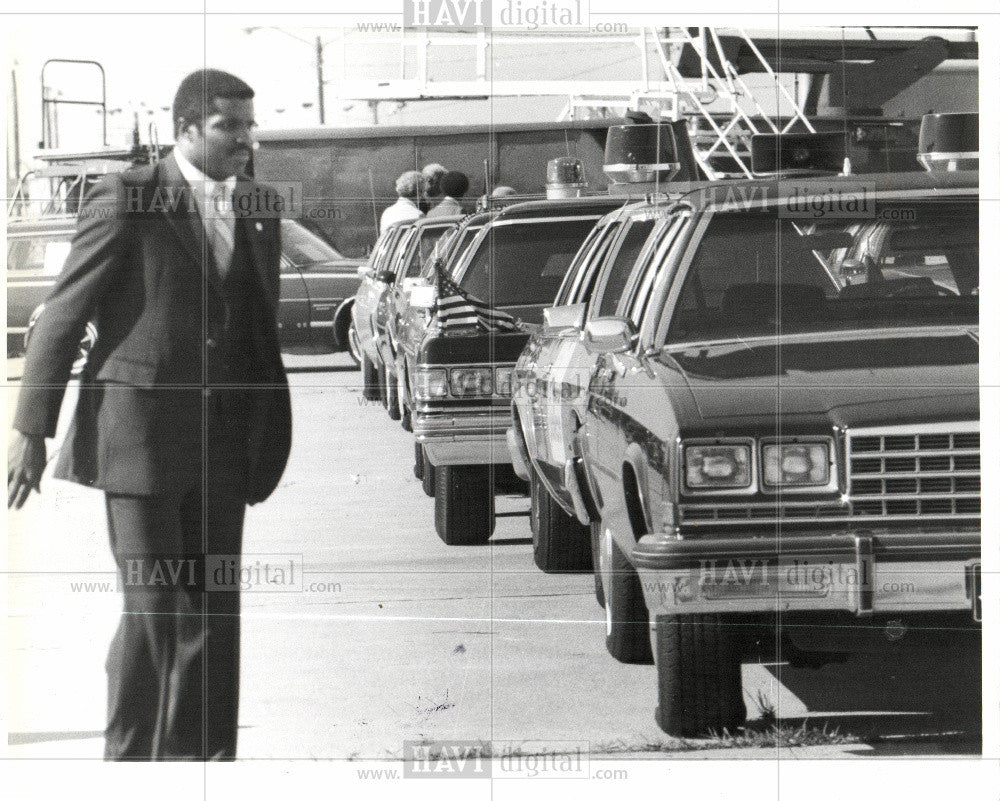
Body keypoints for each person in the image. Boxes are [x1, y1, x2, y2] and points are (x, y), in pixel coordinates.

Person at [7, 68, 292, 761]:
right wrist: (30, 430)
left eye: (251, 126)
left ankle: (203, 763)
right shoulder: (128, 198)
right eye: (229, 126)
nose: (245, 141)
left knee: (212, 611)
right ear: (186, 128)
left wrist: (263, 426)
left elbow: (256, 324)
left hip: (223, 444)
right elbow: (66, 311)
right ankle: (131, 759)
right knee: (156, 606)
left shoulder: (259, 204)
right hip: (137, 440)